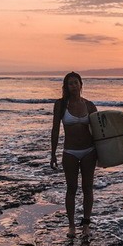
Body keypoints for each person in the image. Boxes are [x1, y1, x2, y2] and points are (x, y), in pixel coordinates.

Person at [50, 72, 98, 236]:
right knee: (71, 188)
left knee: (87, 188)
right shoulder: (61, 105)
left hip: (89, 151)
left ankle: (85, 224)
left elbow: (99, 132)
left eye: (76, 83)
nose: (73, 86)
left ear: (81, 84)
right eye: (70, 83)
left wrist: (105, 154)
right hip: (69, 152)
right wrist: (53, 153)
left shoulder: (90, 105)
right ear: (66, 86)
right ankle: (71, 225)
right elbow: (55, 129)